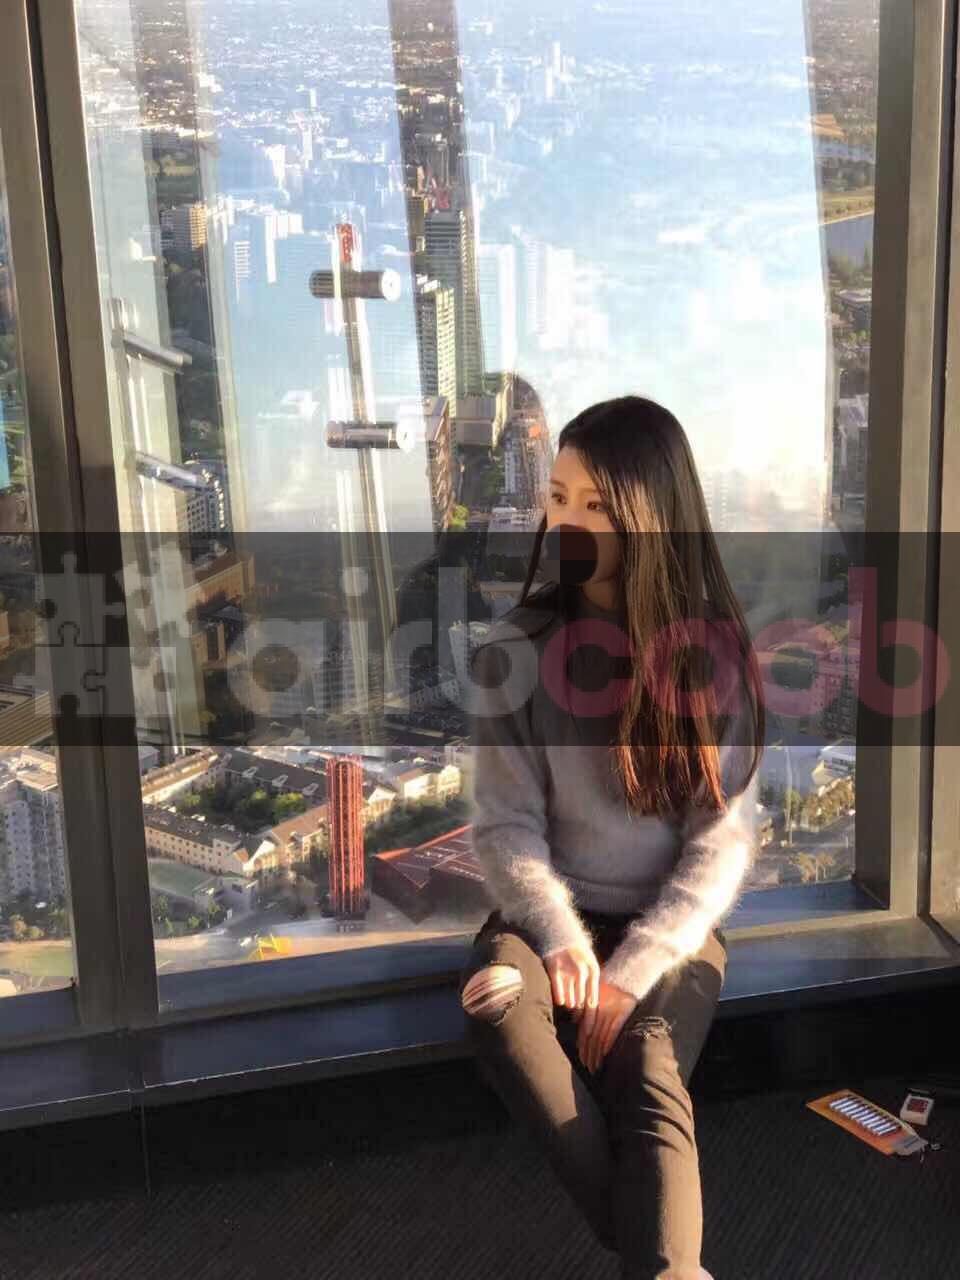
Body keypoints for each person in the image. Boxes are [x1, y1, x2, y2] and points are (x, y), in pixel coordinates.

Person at [458, 395, 765, 1280]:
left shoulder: (711, 659)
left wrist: (630, 972)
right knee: (494, 999)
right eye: (558, 497)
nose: (567, 522)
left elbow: (719, 845)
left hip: (668, 929)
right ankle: (657, 1246)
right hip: (546, 916)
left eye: (595, 504)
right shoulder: (516, 647)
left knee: (647, 1056)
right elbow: (505, 825)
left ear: (651, 514)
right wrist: (558, 938)